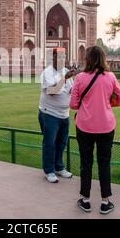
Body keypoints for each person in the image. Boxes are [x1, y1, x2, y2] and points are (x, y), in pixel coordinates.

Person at [70, 46, 120, 215]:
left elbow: (72, 105)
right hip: (106, 126)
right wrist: (106, 104)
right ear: (103, 58)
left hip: (85, 126)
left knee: (86, 163)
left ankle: (85, 200)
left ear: (88, 59)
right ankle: (105, 201)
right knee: (104, 163)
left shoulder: (80, 78)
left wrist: (86, 105)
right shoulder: (110, 77)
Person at [39, 48, 75, 183]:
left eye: (63, 57)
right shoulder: (47, 73)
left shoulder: (65, 72)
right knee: (50, 143)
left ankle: (59, 167)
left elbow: (71, 90)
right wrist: (64, 79)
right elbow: (52, 91)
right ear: (52, 58)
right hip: (49, 114)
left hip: (64, 114)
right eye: (59, 57)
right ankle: (49, 170)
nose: (62, 60)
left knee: (61, 143)